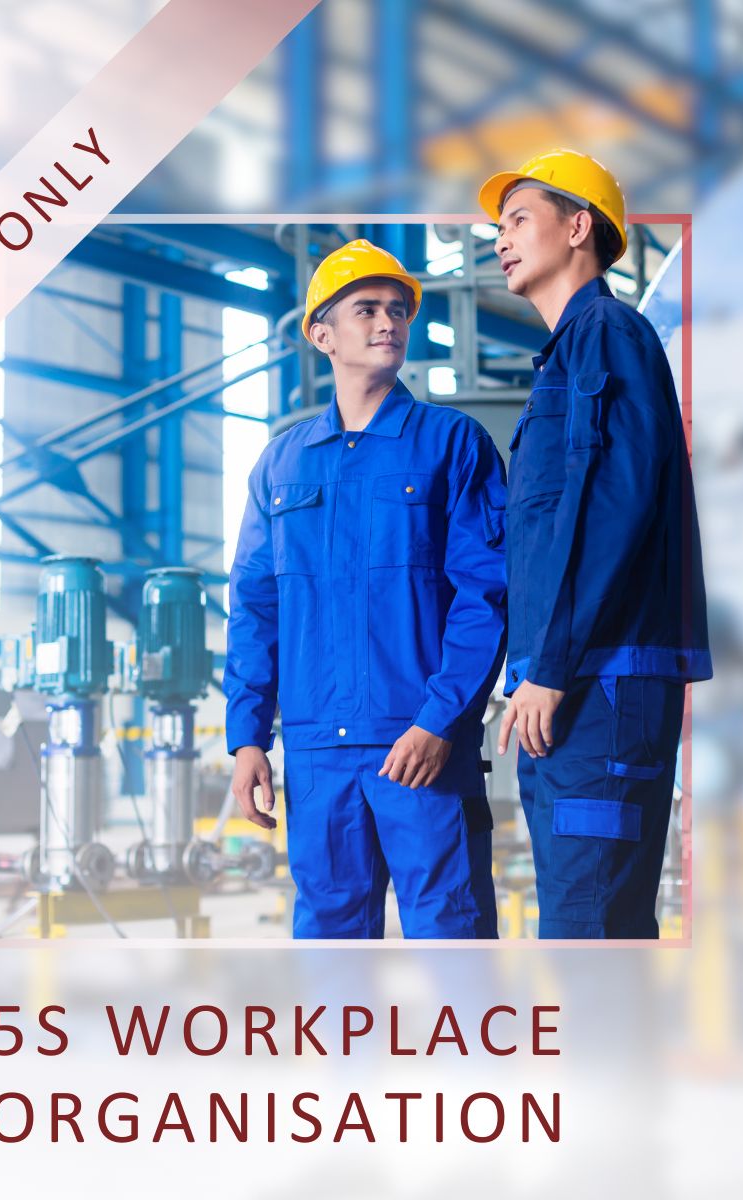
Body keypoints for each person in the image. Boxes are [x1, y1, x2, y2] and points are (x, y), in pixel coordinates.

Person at [223, 238, 509, 940]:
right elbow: (256, 609)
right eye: (367, 309)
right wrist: (247, 738)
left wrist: (440, 720)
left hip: (419, 746)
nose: (389, 322)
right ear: (322, 335)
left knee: (452, 934)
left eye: (398, 310)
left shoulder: (451, 444)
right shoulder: (281, 465)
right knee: (328, 941)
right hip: (318, 754)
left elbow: (487, 594)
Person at [479, 149, 712, 938]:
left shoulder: (607, 334)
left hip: (597, 685)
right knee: (595, 927)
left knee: (588, 933)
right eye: (496, 226)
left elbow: (614, 505)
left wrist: (549, 666)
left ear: (579, 226)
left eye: (518, 219)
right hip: (581, 687)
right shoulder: (572, 352)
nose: (499, 239)